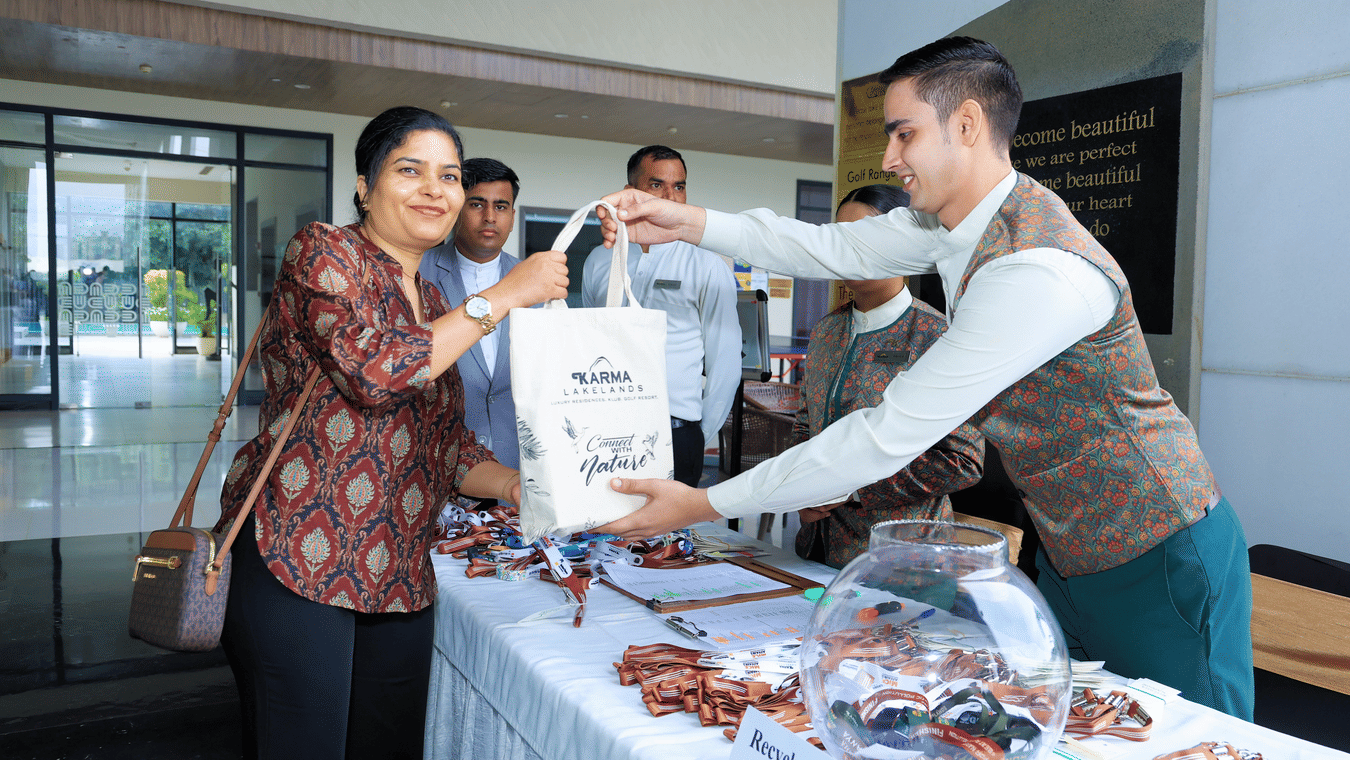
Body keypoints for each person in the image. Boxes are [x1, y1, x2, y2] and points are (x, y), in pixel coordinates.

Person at [594, 38, 1253, 720]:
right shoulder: (957, 228)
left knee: (1191, 738)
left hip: (1159, 550)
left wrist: (704, 503)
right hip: (1070, 549)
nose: (888, 159)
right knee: (1078, 733)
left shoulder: (1038, 268)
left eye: (903, 134)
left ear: (965, 126)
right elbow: (827, 245)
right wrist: (685, 222)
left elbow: (885, 436)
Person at [215, 106, 567, 759]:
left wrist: (519, 483)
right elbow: (377, 372)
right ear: (364, 185)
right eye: (412, 170)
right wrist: (506, 294)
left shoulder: (435, 305)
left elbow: (450, 444)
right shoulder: (324, 251)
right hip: (300, 560)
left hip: (400, 573)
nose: (436, 189)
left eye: (450, 175)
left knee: (389, 745)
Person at [794, 184, 984, 569]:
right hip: (817, 549)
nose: (850, 251)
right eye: (842, 238)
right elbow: (805, 425)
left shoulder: (937, 335)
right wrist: (797, 489)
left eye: (868, 237)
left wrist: (853, 491)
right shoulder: (827, 331)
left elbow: (963, 460)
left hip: (903, 561)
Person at [580, 145, 740, 486]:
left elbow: (726, 363)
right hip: (605, 431)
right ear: (629, 193)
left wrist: (696, 435)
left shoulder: (707, 264)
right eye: (656, 185)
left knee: (667, 539)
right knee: (602, 533)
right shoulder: (597, 260)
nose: (670, 197)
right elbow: (591, 344)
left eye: (679, 186)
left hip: (677, 434)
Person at [419, 158, 524, 470]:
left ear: (513, 215)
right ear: (456, 207)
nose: (490, 217)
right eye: (477, 204)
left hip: (517, 465)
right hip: (438, 461)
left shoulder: (532, 280)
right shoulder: (417, 272)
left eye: (501, 206)